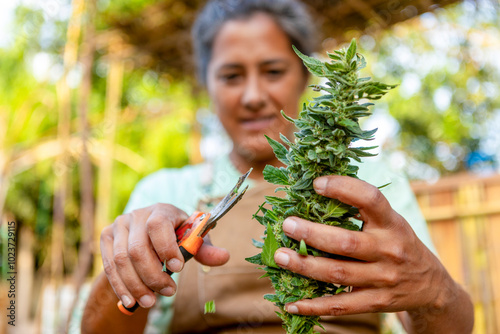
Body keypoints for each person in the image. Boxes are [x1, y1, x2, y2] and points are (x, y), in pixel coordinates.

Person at [81, 0, 474, 333]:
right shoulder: (165, 193)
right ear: (207, 86)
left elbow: (449, 322)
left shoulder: (369, 181)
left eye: (273, 71)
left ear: (305, 75)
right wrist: (125, 278)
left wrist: (433, 289)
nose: (253, 96)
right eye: (231, 76)